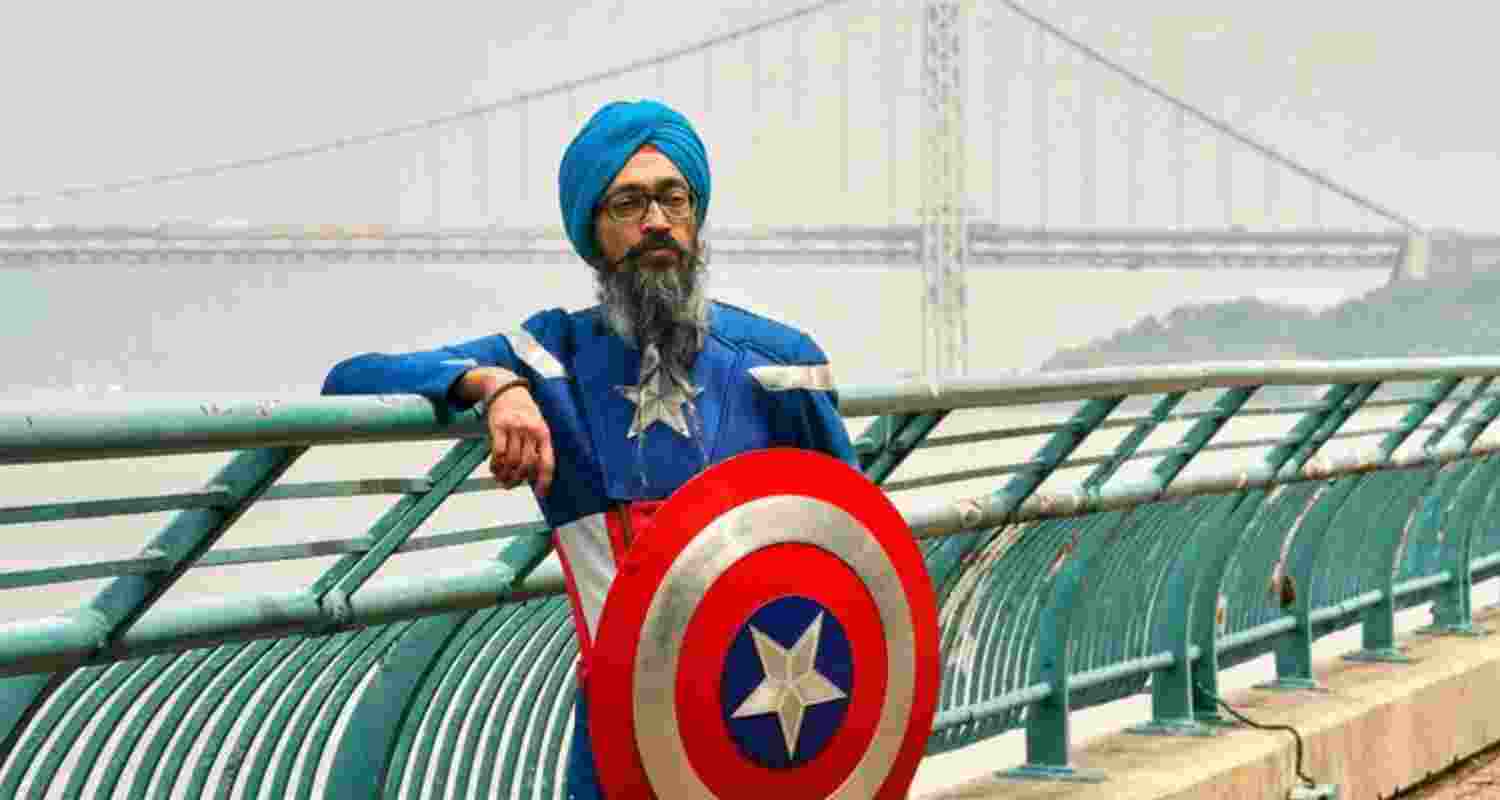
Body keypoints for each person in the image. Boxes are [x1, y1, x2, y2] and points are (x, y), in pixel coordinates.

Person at [322, 99, 856, 798]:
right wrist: (492, 383)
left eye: (674, 198)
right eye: (629, 203)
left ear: (697, 215)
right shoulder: (550, 359)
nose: (657, 221)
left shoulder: (780, 364)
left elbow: (851, 553)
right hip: (618, 736)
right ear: (593, 230)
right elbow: (349, 381)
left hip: (773, 721)